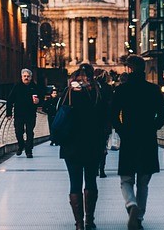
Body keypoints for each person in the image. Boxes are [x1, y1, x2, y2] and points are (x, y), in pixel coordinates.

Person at [111, 55, 164, 230]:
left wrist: (122, 131)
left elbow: (113, 116)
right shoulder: (153, 89)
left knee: (126, 179)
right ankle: (139, 217)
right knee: (143, 181)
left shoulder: (121, 90)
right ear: (143, 69)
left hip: (129, 139)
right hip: (147, 139)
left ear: (129, 69)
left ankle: (131, 204)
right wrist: (152, 127)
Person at [60, 64, 108, 230]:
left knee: (74, 183)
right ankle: (89, 221)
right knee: (90, 181)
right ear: (91, 77)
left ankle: (79, 224)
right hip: (92, 144)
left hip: (71, 145)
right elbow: (104, 120)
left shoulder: (69, 94)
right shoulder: (96, 93)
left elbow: (58, 115)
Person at [6, 68, 40, 158]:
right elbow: (10, 100)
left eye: (28, 76)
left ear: (31, 77)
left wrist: (38, 102)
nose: (26, 78)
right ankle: (21, 146)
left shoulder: (35, 87)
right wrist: (8, 113)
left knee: (29, 132)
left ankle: (29, 151)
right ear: (21, 77)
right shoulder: (17, 87)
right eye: (24, 76)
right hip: (19, 114)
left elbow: (41, 98)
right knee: (18, 131)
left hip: (31, 114)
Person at [94, 67, 114, 178]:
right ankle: (102, 169)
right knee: (103, 146)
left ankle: (95, 168)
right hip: (105, 122)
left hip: (92, 122)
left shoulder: (91, 88)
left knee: (93, 145)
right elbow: (112, 105)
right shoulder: (108, 88)